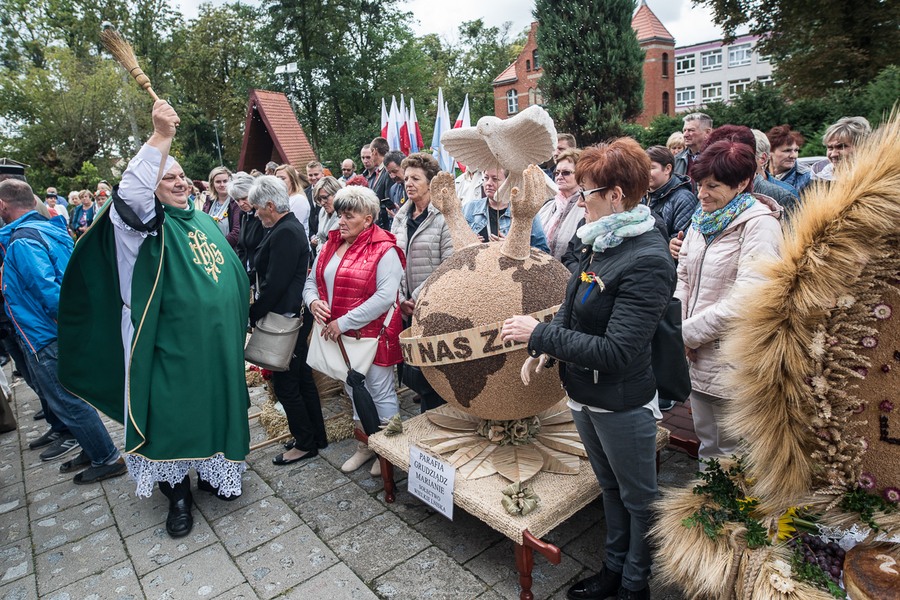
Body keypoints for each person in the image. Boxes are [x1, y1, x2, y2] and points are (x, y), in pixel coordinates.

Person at [58, 100, 251, 539]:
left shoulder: (201, 219)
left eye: (183, 175)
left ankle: (215, 472)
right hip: (161, 342)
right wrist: (161, 136)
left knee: (213, 407)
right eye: (169, 176)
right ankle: (177, 496)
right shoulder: (139, 225)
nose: (180, 182)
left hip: (213, 346)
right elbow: (132, 188)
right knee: (169, 414)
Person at [502, 138, 675, 600]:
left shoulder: (648, 258)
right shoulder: (601, 240)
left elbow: (618, 350)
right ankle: (612, 570)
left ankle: (635, 585)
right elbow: (572, 304)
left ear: (616, 195)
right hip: (584, 392)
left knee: (639, 499)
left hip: (620, 402)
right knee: (610, 489)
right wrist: (549, 345)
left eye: (587, 192)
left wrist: (538, 336)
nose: (580, 201)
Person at [0, 179, 126, 483]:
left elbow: (49, 292)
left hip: (43, 332)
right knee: (69, 396)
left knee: (65, 399)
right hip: (53, 329)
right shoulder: (49, 228)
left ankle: (107, 457)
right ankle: (91, 446)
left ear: (3, 205)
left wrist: (66, 325)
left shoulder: (23, 241)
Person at [674, 139, 783, 463]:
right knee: (709, 444)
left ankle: (733, 512)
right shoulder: (701, 221)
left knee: (735, 455)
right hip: (696, 358)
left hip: (732, 360)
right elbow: (683, 279)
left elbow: (747, 299)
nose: (701, 194)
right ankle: (708, 507)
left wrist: (683, 334)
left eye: (712, 186)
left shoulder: (760, 226)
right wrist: (676, 325)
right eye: (699, 184)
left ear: (742, 184)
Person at [304, 186, 405, 476]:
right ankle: (366, 446)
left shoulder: (385, 249)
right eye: (339, 215)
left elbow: (385, 297)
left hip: (372, 336)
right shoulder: (329, 244)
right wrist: (312, 302)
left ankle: (389, 452)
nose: (341, 222)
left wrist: (343, 322)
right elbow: (311, 281)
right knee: (352, 390)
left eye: (349, 216)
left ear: (369, 219)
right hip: (341, 337)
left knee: (381, 392)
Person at [248, 175, 327, 465]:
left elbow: (276, 284)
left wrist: (253, 312)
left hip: (285, 319)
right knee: (301, 380)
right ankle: (315, 436)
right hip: (291, 315)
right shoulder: (286, 227)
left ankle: (305, 443)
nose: (255, 213)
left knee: (287, 385)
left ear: (270, 204)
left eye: (257, 208)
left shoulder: (285, 231)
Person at [391, 153, 453, 412]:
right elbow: (393, 258)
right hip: (405, 304)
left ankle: (438, 417)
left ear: (431, 183)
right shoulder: (400, 217)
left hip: (432, 303)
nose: (409, 183)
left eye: (416, 178)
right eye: (406, 178)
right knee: (414, 367)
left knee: (434, 369)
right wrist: (400, 296)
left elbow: (449, 264)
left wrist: (416, 297)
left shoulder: (443, 218)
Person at [462, 168, 549, 251]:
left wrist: (513, 248)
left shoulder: (525, 212)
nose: (488, 183)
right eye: (486, 178)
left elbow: (542, 249)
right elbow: (456, 244)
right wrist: (469, 244)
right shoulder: (469, 208)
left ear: (508, 183)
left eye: (495, 179)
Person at [537, 148, 584, 260]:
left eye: (566, 173)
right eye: (556, 173)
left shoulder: (587, 207)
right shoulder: (547, 205)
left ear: (581, 175)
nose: (559, 177)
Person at [643, 146, 698, 239]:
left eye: (651, 168)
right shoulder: (641, 195)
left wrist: (670, 243)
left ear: (667, 169)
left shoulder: (684, 199)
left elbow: (681, 239)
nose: (645, 173)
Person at [811, 116, 872, 182]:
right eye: (830, 148)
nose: (833, 154)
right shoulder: (820, 176)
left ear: (862, 147)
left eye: (841, 147)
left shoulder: (874, 177)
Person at [231, 172, 264, 283]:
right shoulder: (243, 214)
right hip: (247, 272)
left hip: (260, 274)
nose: (241, 203)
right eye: (237, 200)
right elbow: (241, 246)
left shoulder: (263, 216)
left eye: (244, 198)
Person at [766, 125, 812, 193]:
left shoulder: (807, 177)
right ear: (769, 152)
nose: (794, 156)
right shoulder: (758, 173)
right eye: (787, 151)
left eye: (796, 150)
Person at [203, 166, 241, 248]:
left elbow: (236, 232)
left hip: (228, 249)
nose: (222, 185)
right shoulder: (208, 202)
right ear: (212, 183)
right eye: (218, 182)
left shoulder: (236, 203)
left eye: (225, 181)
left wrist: (218, 246)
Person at [274, 164, 311, 238]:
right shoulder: (278, 199)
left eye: (283, 178)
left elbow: (293, 227)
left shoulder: (298, 200)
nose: (279, 181)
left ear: (292, 180)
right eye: (277, 178)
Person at [674, 112, 713, 177]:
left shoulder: (718, 158)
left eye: (691, 130)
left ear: (707, 132)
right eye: (684, 130)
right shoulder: (677, 160)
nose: (685, 135)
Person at [311, 176, 342, 250]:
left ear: (336, 194)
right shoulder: (322, 212)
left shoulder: (345, 215)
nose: (322, 203)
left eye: (325, 198)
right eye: (319, 199)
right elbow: (320, 235)